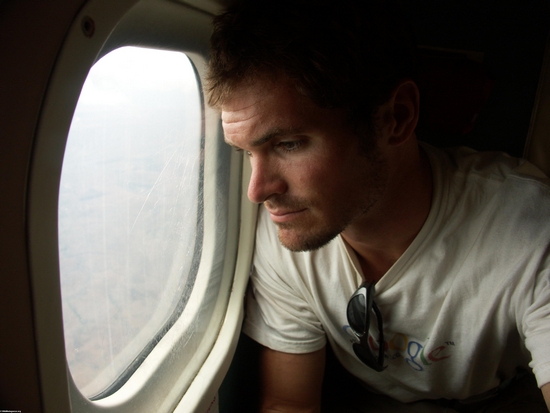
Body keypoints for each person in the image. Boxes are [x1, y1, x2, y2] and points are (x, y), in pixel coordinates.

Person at [206, 0, 550, 411]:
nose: (258, 191)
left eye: (288, 144)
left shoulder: (529, 225)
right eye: (246, 153)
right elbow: (290, 403)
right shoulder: (284, 231)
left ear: (397, 117)